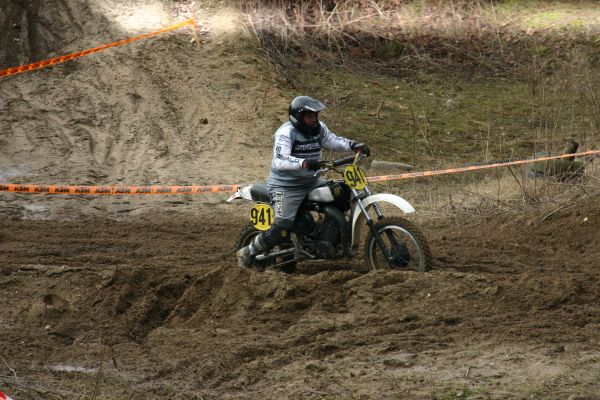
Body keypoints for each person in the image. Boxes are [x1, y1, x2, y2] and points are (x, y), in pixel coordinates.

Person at [236, 95, 370, 268]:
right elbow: (280, 160)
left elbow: (332, 140)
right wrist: (304, 162)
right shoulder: (286, 132)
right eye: (309, 116)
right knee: (282, 228)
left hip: (311, 181)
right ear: (298, 117)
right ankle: (247, 252)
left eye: (314, 115)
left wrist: (353, 145)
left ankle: (327, 240)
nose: (313, 119)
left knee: (342, 193)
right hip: (285, 186)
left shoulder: (319, 128)